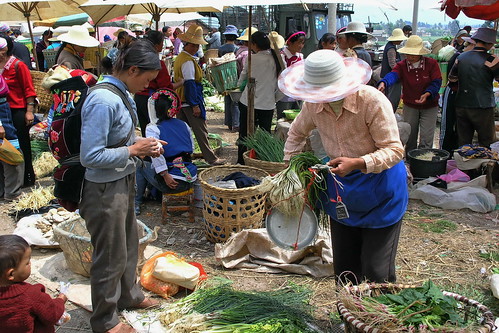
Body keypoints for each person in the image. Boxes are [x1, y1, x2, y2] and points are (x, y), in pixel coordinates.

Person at [280, 49, 407, 284]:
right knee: (346, 269)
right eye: (316, 92)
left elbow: (395, 150)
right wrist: (290, 169)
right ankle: (349, 318)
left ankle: (377, 318)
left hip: (380, 187)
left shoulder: (371, 101)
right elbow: (296, 133)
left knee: (376, 270)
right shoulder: (313, 105)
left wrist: (358, 163)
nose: (322, 96)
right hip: (342, 188)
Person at [79, 40, 164, 333]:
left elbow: (120, 140)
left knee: (128, 244)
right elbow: (90, 155)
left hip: (122, 180)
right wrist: (132, 150)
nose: (148, 85)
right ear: (133, 69)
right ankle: (105, 321)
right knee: (109, 255)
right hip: (104, 189)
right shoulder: (103, 100)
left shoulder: (121, 93)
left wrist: (143, 147)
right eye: (147, 79)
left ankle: (129, 296)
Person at [135, 89, 197, 214]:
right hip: (190, 178)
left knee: (139, 163)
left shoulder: (153, 128)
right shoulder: (183, 124)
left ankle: (135, 203)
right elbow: (192, 149)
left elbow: (156, 155)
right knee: (150, 160)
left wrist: (165, 175)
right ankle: (153, 192)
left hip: (172, 183)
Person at [378, 35, 442, 154]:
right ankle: (410, 157)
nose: (409, 57)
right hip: (410, 105)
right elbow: (393, 75)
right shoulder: (402, 65)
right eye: (408, 54)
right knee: (410, 135)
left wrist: (428, 93)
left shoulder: (431, 64)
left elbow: (437, 82)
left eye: (413, 54)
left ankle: (424, 157)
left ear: (420, 54)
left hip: (430, 105)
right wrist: (384, 82)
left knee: (427, 136)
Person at [174, 25, 224, 166]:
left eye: (197, 46)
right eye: (193, 45)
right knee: (201, 131)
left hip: (181, 100)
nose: (196, 48)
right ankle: (211, 159)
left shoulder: (181, 57)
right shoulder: (188, 61)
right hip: (189, 101)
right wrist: (195, 105)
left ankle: (182, 157)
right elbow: (190, 84)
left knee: (182, 132)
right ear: (187, 44)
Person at [0, 235, 70, 332]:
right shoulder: (31, 295)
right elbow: (52, 315)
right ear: (11, 274)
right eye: (27, 262)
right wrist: (60, 300)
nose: (30, 264)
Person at [237, 31, 283, 164]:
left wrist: (238, 88)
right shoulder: (278, 58)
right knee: (265, 135)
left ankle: (242, 160)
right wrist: (273, 99)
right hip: (267, 105)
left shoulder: (252, 58)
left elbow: (243, 77)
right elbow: (282, 84)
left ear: (254, 44)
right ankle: (262, 161)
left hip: (248, 101)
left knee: (244, 133)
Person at [448, 28, 499, 148]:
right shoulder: (491, 59)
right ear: (490, 43)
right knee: (487, 142)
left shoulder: (461, 57)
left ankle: (463, 166)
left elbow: (452, 79)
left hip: (462, 104)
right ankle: (485, 166)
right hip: (483, 105)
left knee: (464, 142)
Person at [0, 32, 37, 187]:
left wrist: (29, 111)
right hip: (3, 112)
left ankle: (26, 178)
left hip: (17, 111)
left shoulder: (17, 65)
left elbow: (29, 89)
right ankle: (8, 182)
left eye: (2, 51)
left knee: (21, 145)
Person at [134, 30, 183, 137]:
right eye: (161, 43)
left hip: (138, 98)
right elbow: (166, 87)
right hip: (151, 101)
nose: (163, 45)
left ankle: (146, 153)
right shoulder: (157, 64)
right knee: (157, 131)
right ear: (156, 45)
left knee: (145, 130)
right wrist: (180, 83)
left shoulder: (139, 61)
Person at [440, 38, 475, 153]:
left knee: (461, 127)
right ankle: (444, 153)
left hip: (465, 96)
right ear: (469, 46)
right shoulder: (458, 57)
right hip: (453, 93)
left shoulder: (476, 59)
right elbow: (452, 78)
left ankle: (457, 153)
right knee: (448, 124)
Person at [0, 38, 23, 200]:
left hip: (5, 112)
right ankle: (12, 192)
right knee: (11, 152)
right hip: (2, 117)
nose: (4, 54)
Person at [276, 30, 305, 120]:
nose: (301, 46)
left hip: (298, 92)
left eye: (302, 43)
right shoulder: (282, 57)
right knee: (283, 118)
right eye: (299, 43)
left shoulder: (300, 56)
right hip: (284, 94)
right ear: (290, 43)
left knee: (297, 119)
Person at [218, 25, 240, 132]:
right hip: (235, 77)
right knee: (235, 102)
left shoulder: (221, 49)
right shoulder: (237, 49)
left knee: (227, 100)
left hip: (223, 78)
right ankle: (236, 123)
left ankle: (229, 123)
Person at [380, 28, 408, 112]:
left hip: (388, 75)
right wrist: (400, 72)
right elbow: (392, 64)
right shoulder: (391, 49)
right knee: (392, 98)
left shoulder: (390, 46)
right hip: (391, 77)